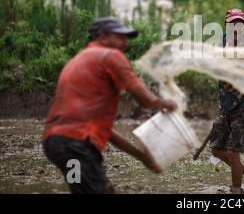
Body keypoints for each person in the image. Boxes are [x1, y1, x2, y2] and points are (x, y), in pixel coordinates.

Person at [42, 17, 177, 194]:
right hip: (76, 146)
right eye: (121, 37)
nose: (125, 43)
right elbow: (147, 101)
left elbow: (107, 132)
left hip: (57, 145)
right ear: (104, 37)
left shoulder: (80, 59)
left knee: (95, 190)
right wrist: (169, 103)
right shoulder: (110, 55)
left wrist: (142, 158)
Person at [209, 8, 244, 194]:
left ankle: (235, 192)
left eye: (239, 24)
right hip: (225, 109)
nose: (236, 28)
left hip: (243, 110)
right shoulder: (220, 46)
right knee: (216, 150)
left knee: (233, 153)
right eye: (232, 24)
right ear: (226, 26)